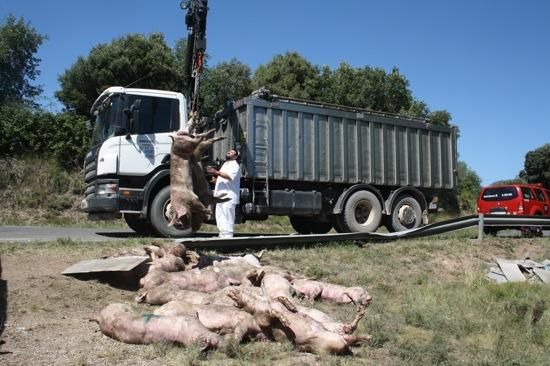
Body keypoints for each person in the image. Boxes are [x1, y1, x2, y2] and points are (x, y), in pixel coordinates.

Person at [207, 148, 241, 238]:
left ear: (236, 156)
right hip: (220, 195)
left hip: (229, 195)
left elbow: (229, 177)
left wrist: (215, 172)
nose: (229, 152)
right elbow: (222, 178)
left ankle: (228, 235)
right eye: (229, 151)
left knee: (227, 215)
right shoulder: (225, 164)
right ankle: (222, 235)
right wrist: (215, 181)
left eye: (232, 152)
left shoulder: (235, 165)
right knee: (220, 215)